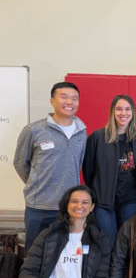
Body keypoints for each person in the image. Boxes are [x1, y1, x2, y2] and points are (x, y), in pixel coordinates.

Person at [14, 82, 87, 255]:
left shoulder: (81, 131)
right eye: (64, 97)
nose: (69, 102)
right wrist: (37, 183)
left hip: (68, 208)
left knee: (62, 257)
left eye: (74, 98)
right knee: (34, 256)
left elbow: (79, 163)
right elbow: (20, 163)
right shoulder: (34, 130)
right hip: (38, 207)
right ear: (52, 101)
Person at [82, 94, 136, 247]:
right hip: (103, 203)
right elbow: (88, 171)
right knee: (107, 244)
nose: (124, 113)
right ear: (112, 112)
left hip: (130, 201)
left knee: (128, 244)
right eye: (119, 109)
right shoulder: (98, 137)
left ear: (133, 112)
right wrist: (96, 194)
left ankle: (123, 272)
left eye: (128, 109)